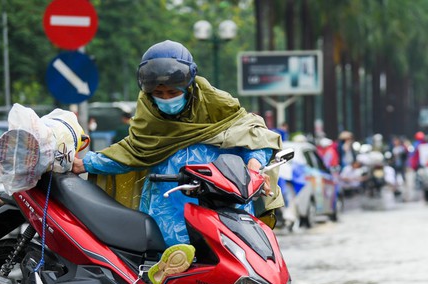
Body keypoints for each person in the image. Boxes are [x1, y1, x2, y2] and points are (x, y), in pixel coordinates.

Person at [71, 40, 283, 245]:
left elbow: (253, 136)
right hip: (168, 205)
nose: (166, 99)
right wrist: (86, 164)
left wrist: (254, 166)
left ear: (189, 88)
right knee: (175, 260)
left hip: (225, 202)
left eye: (173, 92)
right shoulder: (150, 121)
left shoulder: (217, 107)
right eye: (158, 94)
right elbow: (131, 152)